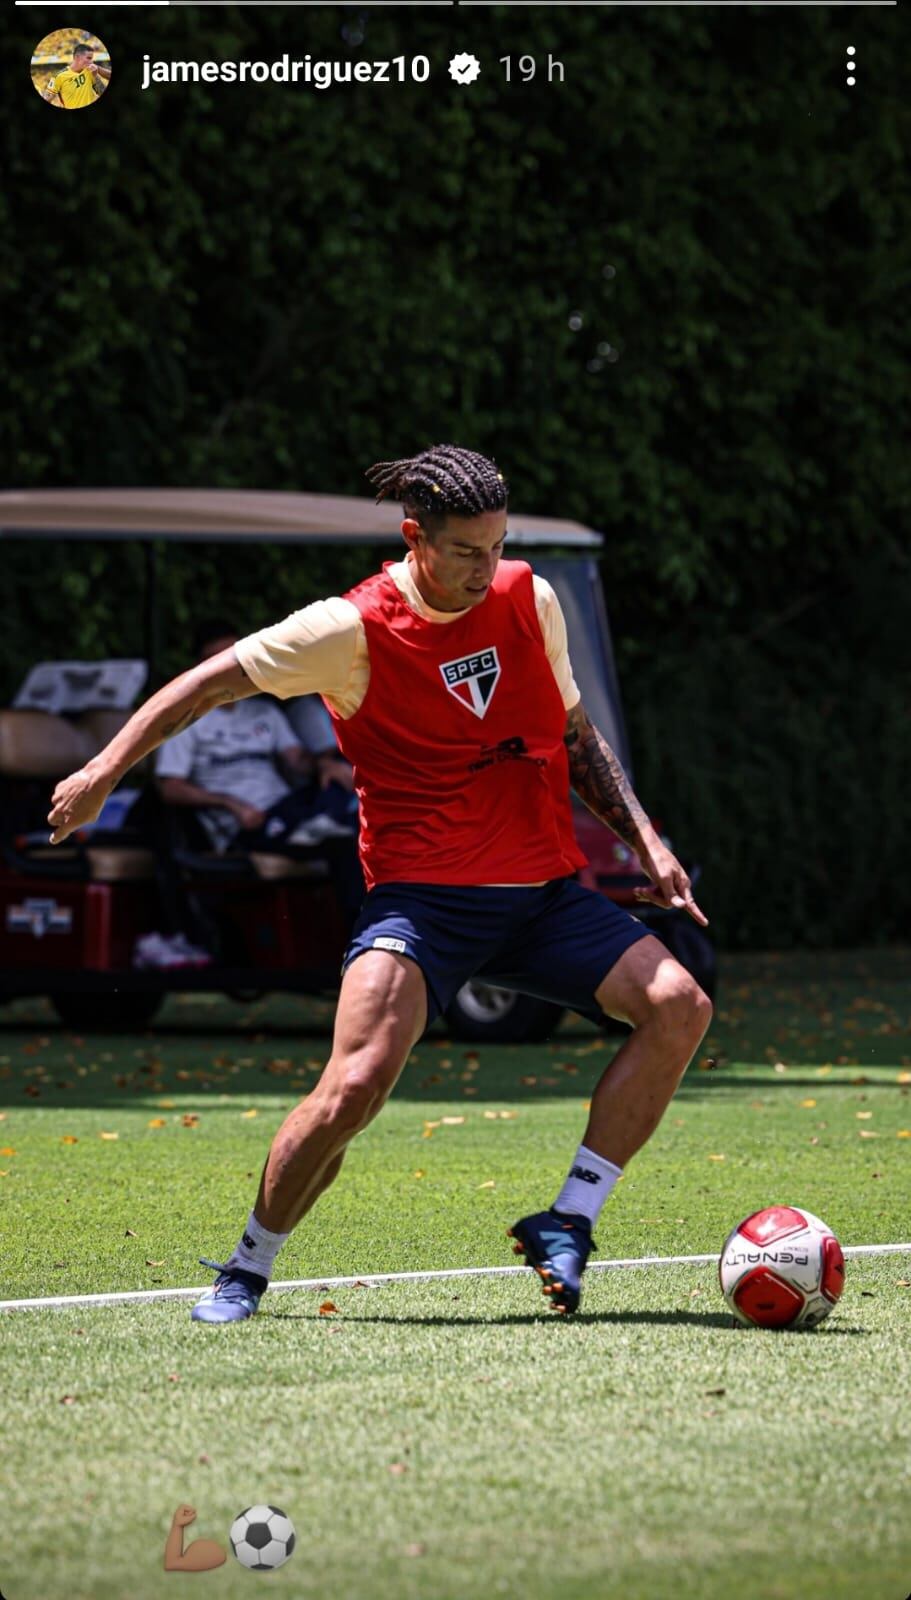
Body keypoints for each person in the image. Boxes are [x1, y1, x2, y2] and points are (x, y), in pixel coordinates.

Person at [47, 444, 711, 1322]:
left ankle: (567, 1222)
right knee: (352, 1087)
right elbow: (203, 687)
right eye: (467, 551)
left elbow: (577, 737)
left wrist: (647, 841)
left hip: (543, 895)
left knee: (680, 1005)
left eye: (498, 545)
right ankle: (246, 1268)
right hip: (423, 904)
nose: (488, 569)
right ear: (414, 537)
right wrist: (102, 771)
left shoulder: (528, 597)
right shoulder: (347, 629)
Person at [44, 43, 110, 109]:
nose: (91, 61)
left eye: (92, 58)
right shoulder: (59, 76)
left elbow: (102, 92)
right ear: (77, 57)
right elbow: (47, 98)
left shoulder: (90, 71)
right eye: (89, 58)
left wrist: (95, 76)